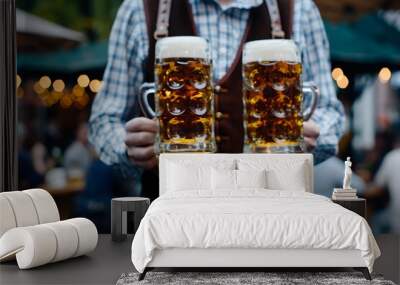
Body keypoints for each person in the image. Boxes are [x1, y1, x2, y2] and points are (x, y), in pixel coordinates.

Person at [89, 0, 345, 196]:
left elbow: (329, 110)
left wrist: (309, 135)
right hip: (172, 216)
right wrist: (127, 147)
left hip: (272, 209)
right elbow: (104, 119)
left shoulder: (297, 8)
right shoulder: (139, 7)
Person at [366, 134, 400, 234]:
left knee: (375, 221)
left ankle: (373, 249)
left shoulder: (392, 156)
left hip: (396, 217)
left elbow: (378, 187)